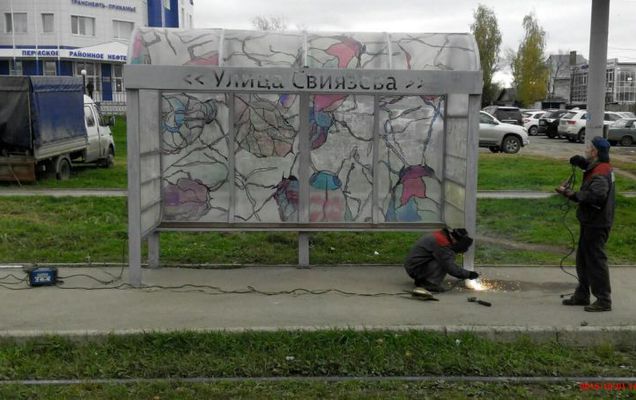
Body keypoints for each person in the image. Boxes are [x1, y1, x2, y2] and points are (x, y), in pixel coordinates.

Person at [556, 136, 615, 312]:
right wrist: (582, 163)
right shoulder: (601, 166)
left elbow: (596, 195)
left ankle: (604, 300)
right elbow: (592, 170)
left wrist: (570, 193)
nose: (587, 150)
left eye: (589, 148)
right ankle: (582, 295)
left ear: (595, 152)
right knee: (583, 259)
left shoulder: (601, 173)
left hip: (597, 223)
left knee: (596, 261)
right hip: (591, 221)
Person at [403, 228, 479, 296]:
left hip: (416, 264)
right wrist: (468, 274)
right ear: (455, 240)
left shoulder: (442, 235)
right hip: (415, 268)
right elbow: (450, 267)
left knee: (445, 258)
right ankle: (428, 283)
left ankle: (422, 280)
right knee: (444, 261)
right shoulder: (442, 244)